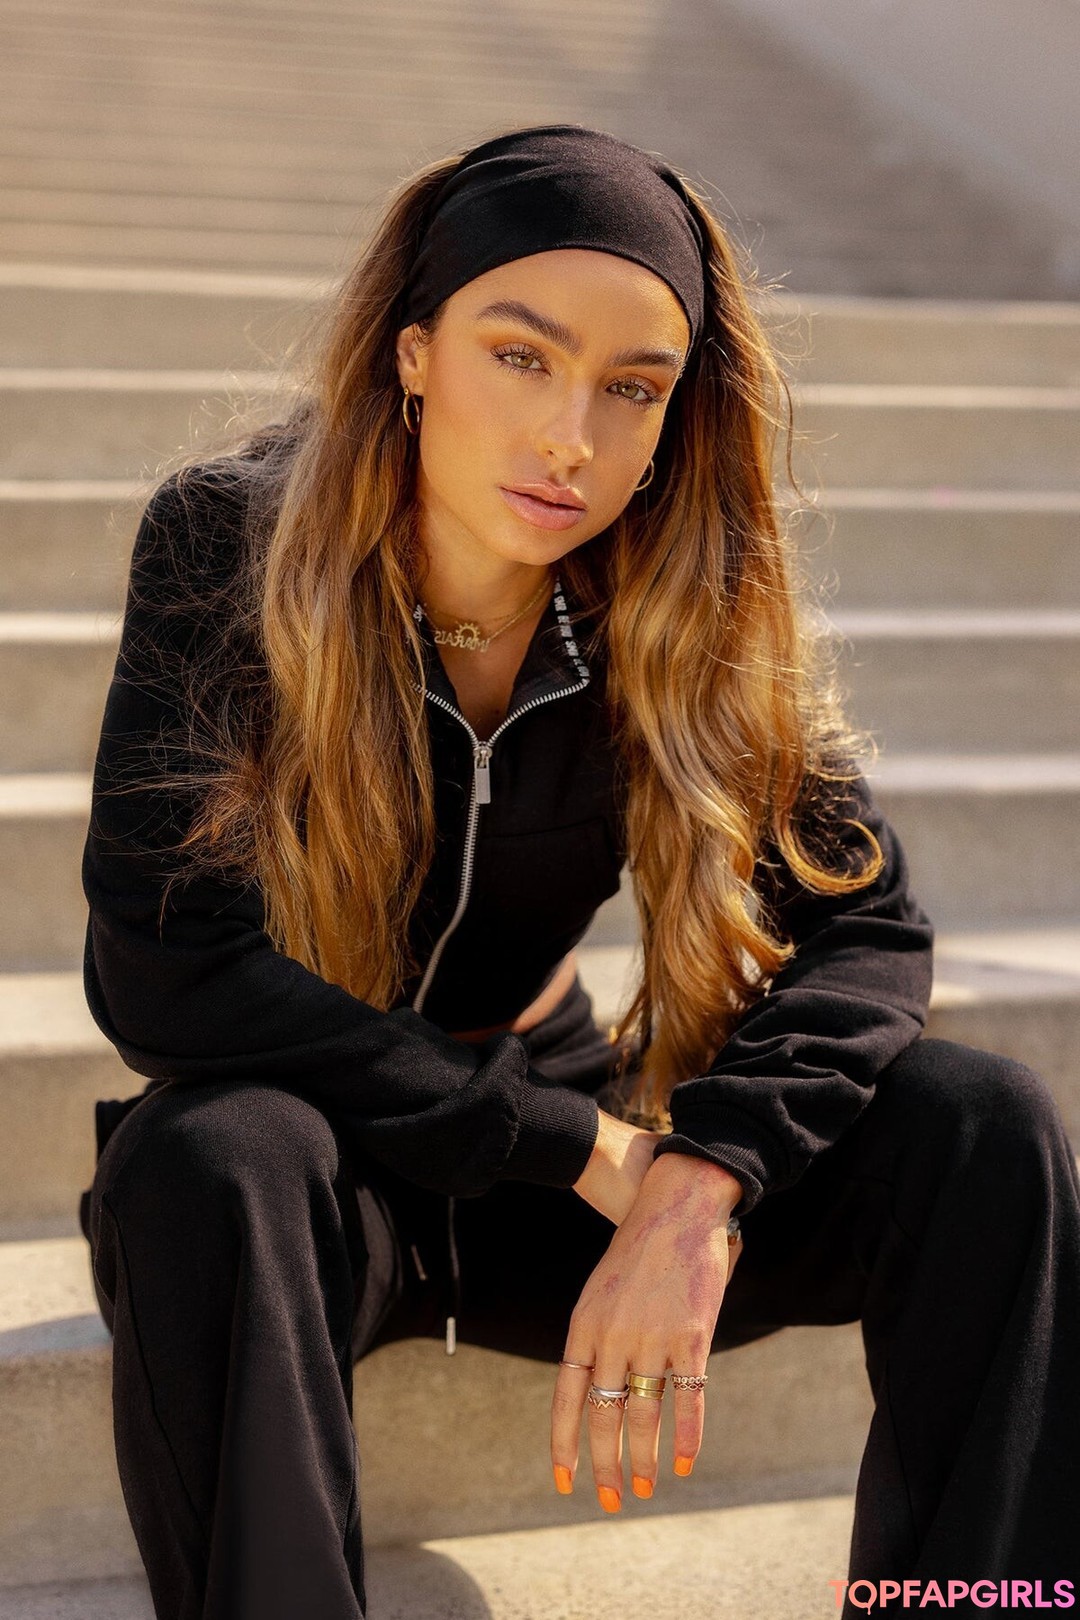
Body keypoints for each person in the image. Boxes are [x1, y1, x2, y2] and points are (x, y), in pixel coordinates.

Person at [77, 123, 1079, 1620]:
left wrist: (695, 1180)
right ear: (414, 354)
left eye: (633, 387)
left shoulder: (677, 596)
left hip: (566, 1157)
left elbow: (868, 932)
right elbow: (167, 968)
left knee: (983, 1125)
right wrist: (577, 1149)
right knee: (202, 1160)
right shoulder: (236, 544)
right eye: (520, 356)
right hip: (330, 1167)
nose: (572, 438)